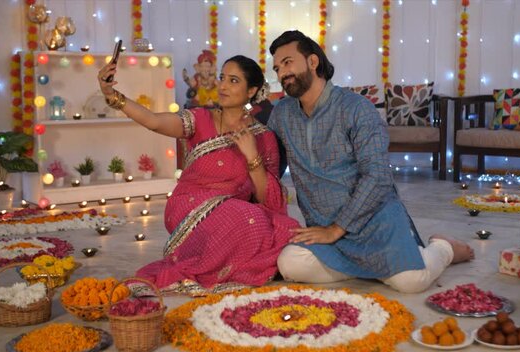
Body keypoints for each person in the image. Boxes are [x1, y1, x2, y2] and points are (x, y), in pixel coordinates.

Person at [267, 30, 474, 293]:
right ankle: (376, 268)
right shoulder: (282, 114)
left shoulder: (356, 108)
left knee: (410, 282)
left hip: (373, 220)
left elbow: (377, 176)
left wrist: (336, 229)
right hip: (323, 225)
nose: (282, 73)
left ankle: (443, 247)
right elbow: (270, 165)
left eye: (288, 62)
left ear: (312, 61)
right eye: (277, 68)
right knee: (289, 264)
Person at [97, 55, 299, 296]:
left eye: (233, 81)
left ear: (251, 90)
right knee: (249, 221)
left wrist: (252, 157)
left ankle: (236, 260)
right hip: (187, 206)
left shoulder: (263, 137)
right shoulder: (200, 119)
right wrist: (113, 96)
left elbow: (270, 200)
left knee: (283, 225)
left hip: (231, 210)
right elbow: (153, 121)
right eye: (222, 78)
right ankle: (233, 265)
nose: (222, 86)